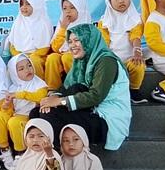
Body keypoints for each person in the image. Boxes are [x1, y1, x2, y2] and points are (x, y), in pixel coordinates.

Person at [35, 23, 131, 151]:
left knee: (50, 115)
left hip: (107, 119)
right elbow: (67, 87)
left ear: (89, 40)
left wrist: (59, 101)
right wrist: (52, 98)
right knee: (37, 112)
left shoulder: (107, 61)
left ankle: (55, 157)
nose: (72, 45)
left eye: (77, 40)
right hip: (91, 110)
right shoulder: (82, 61)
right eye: (70, 41)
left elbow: (96, 96)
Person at [0, 53, 48, 169]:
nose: (27, 70)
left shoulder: (39, 84)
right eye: (21, 69)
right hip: (16, 115)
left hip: (30, 116)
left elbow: (40, 97)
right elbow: (9, 110)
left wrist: (20, 95)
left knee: (14, 122)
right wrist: (7, 105)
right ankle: (5, 150)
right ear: (14, 73)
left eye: (29, 66)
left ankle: (21, 153)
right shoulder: (13, 88)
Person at [97, 0, 146, 104]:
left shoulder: (136, 18)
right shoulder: (104, 22)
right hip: (112, 58)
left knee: (138, 64)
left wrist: (137, 52)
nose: (121, 1)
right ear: (109, 1)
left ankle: (134, 90)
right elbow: (104, 43)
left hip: (130, 58)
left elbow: (135, 37)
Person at [44, 0, 92, 90]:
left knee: (67, 57)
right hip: (63, 55)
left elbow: (86, 49)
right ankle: (53, 90)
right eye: (64, 8)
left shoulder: (86, 26)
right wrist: (63, 28)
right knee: (52, 58)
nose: (68, 11)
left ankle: (77, 87)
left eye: (72, 7)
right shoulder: (62, 24)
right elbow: (55, 48)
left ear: (80, 9)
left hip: (81, 58)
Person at [5, 0, 54, 78]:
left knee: (33, 61)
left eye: (28, 4)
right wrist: (19, 56)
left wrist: (29, 57)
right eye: (22, 4)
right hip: (20, 55)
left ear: (36, 5)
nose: (24, 7)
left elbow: (45, 48)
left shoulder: (44, 22)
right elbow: (12, 45)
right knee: (14, 63)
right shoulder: (18, 22)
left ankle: (38, 87)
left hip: (39, 56)